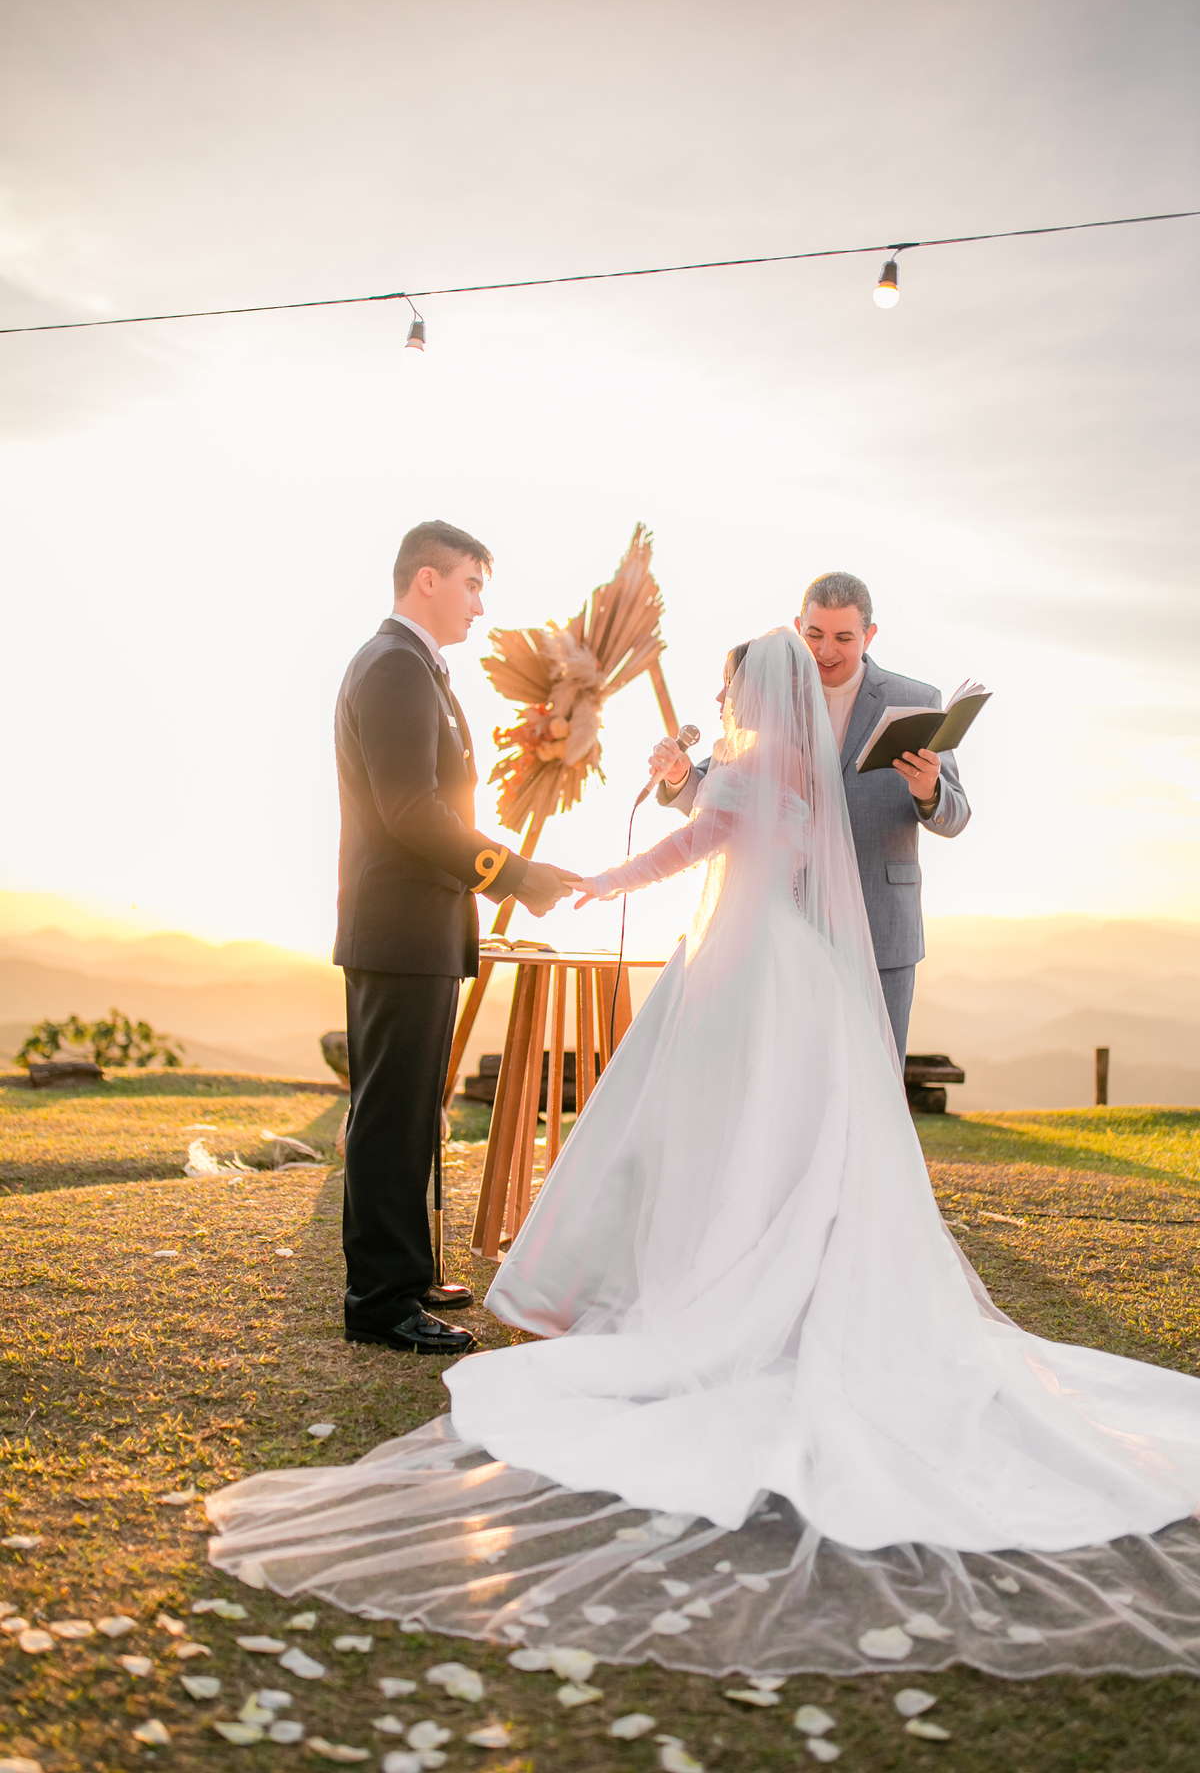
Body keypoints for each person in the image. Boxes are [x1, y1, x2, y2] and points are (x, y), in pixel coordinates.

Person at [210, 631, 1200, 1682]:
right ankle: (777, 1276)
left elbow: (693, 848)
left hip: (737, 969)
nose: (723, 700)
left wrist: (598, 879)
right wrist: (693, 787)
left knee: (691, 1134)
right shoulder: (803, 772)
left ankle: (691, 1283)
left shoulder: (746, 767)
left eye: (729, 687)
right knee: (781, 1143)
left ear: (748, 692)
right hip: (801, 970)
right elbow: (764, 846)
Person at [333, 520, 574, 1358]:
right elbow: (410, 810)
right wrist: (512, 874)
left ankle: (407, 1272)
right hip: (398, 928)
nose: (479, 604)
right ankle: (380, 1300)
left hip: (418, 926)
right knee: (390, 1116)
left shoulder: (413, 665)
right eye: (472, 584)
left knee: (409, 1114)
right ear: (427, 579)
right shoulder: (394, 666)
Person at [649, 572, 969, 1059]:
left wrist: (929, 791)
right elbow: (718, 792)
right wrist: (677, 777)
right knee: (792, 1078)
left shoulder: (917, 701)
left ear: (869, 635)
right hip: (787, 929)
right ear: (798, 628)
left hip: (880, 926)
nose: (826, 651)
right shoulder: (776, 692)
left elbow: (956, 814)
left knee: (876, 1079)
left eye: (843, 638)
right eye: (815, 635)